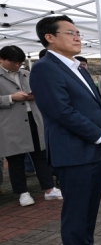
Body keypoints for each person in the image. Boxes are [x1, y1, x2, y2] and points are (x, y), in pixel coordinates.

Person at [30, 15, 101, 245]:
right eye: (70, 32)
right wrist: (99, 134)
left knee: (89, 208)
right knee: (77, 211)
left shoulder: (76, 67)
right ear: (50, 37)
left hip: (91, 150)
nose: (78, 37)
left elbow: (91, 106)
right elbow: (60, 111)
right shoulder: (45, 68)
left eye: (78, 32)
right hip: (74, 152)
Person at [0, 45, 61, 206]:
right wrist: (11, 98)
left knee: (41, 155)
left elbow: (42, 91)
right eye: (13, 62)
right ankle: (23, 192)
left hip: (34, 118)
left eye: (19, 62)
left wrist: (35, 95)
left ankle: (49, 189)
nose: (17, 66)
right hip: (11, 123)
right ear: (1, 59)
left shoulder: (27, 74)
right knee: (15, 159)